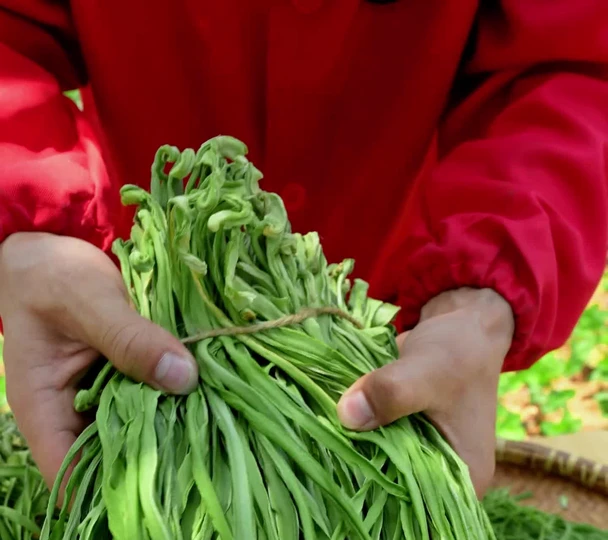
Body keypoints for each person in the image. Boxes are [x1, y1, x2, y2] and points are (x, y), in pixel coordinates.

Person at [0, 1, 607, 496]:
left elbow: (571, 60)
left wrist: (483, 290)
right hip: (138, 317)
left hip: (387, 326)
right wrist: (26, 229)